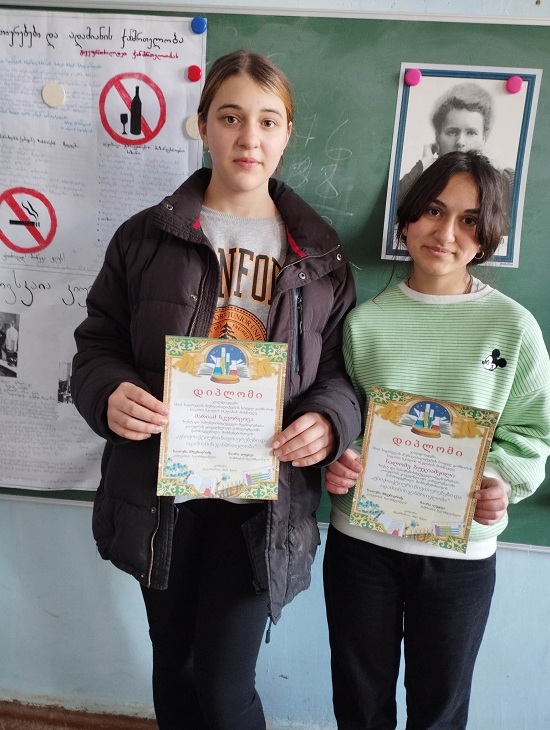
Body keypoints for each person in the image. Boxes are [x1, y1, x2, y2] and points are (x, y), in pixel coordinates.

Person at [71, 49, 360, 730]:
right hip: (161, 495)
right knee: (174, 671)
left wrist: (328, 420)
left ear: (287, 133)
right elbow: (97, 344)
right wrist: (109, 393)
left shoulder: (321, 257)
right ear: (202, 125)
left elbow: (341, 374)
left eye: (267, 120)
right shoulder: (146, 236)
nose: (248, 137)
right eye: (230, 118)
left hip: (262, 504)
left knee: (225, 691)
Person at [323, 150, 550, 729]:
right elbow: (346, 417)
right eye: (433, 210)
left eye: (469, 220)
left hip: (460, 553)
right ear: (406, 220)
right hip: (363, 546)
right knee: (359, 702)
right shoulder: (364, 323)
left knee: (440, 709)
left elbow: (532, 432)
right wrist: (340, 458)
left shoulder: (514, 328)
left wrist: (499, 478)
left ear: (487, 235)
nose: (446, 233)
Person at [398, 82, 514, 227]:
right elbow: (391, 218)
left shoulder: (506, 179)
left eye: (471, 133)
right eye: (452, 132)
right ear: (438, 137)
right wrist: (421, 167)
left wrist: (499, 178)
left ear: (483, 139)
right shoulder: (420, 176)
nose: (460, 142)